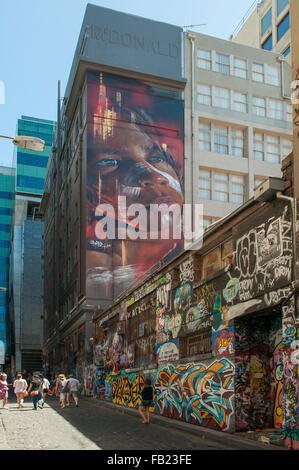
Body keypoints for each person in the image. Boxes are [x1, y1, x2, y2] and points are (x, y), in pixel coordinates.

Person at [86, 73, 184, 299]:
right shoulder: (99, 274)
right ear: (94, 194)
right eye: (110, 162)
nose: (153, 176)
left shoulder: (179, 253)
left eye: (156, 158)